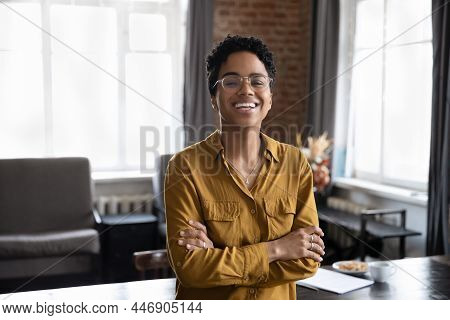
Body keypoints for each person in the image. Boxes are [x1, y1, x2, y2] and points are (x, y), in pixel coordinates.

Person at [164, 35, 325, 300]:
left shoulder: (295, 164)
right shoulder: (184, 167)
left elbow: (307, 262)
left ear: (270, 97)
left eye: (257, 81)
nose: (246, 90)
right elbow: (190, 269)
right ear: (214, 98)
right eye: (231, 81)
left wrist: (216, 258)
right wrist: (277, 250)